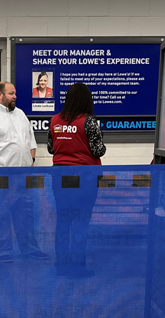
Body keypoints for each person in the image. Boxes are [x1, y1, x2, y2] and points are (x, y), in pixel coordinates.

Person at [0, 81, 48, 262]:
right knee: (0, 214)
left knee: (27, 214)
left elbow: (31, 140)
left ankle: (30, 249)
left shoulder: (20, 114)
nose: (15, 96)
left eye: (15, 93)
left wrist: (32, 161)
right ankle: (3, 251)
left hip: (24, 175)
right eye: (11, 93)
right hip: (0, 175)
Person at [47, 82, 106, 278]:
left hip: (60, 176)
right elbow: (99, 150)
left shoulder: (54, 120)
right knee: (81, 222)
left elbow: (51, 149)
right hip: (85, 177)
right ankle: (77, 267)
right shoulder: (89, 121)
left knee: (63, 221)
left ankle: (61, 265)